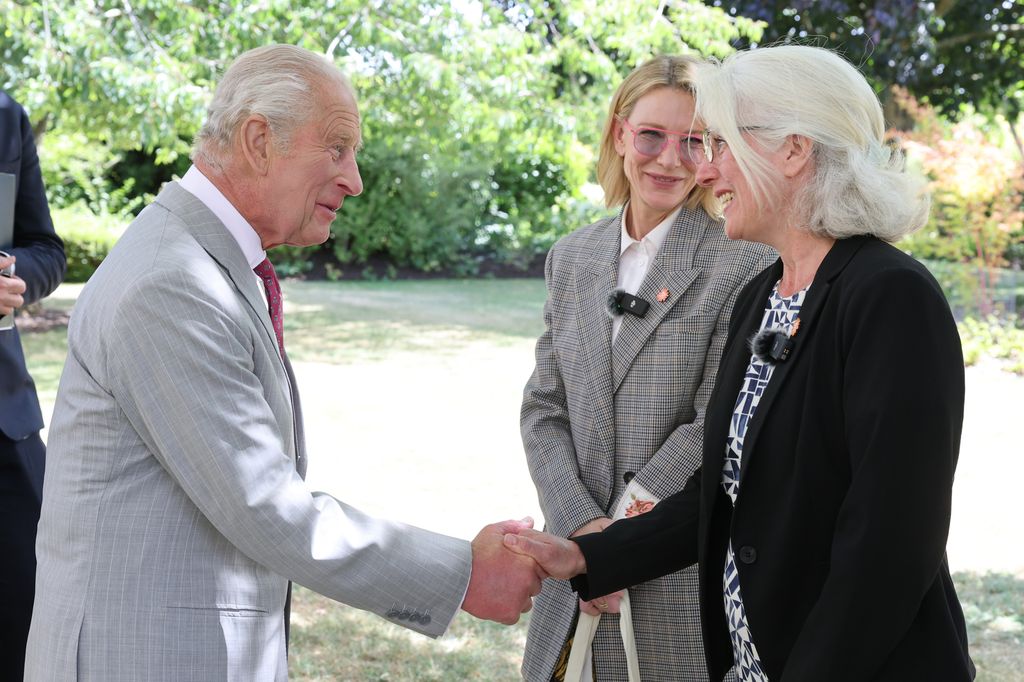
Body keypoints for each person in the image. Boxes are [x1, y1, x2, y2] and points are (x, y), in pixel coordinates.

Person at [24, 44, 541, 681]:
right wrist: (465, 573)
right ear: (260, 140)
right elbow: (262, 502)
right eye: (337, 148)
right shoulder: (172, 281)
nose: (353, 179)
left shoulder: (198, 260)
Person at [505, 44, 975, 681]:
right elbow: (727, 491)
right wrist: (589, 554)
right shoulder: (766, 296)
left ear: (792, 150)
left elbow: (891, 545)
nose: (704, 170)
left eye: (720, 144)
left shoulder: (890, 295)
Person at [520, 55, 774, 681]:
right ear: (619, 134)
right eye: (651, 136)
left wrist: (616, 547)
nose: (668, 159)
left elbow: (713, 420)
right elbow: (544, 408)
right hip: (570, 553)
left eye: (693, 142)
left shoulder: (743, 263)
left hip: (669, 570)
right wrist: (582, 529)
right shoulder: (573, 257)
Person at [0, 90, 66, 681]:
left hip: (6, 422)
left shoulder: (5, 116)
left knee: (35, 625)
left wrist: (9, 272)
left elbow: (46, 249)